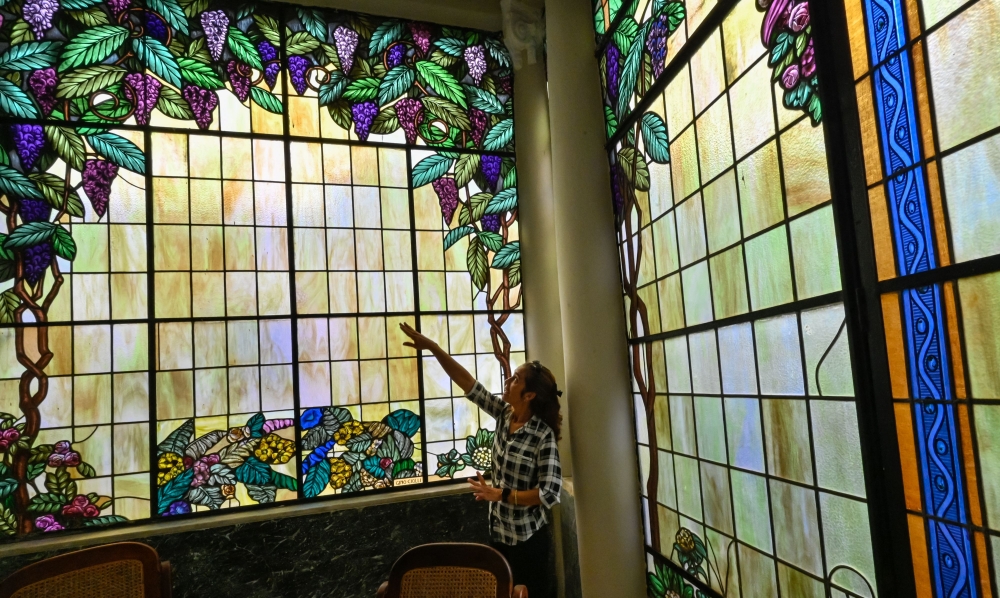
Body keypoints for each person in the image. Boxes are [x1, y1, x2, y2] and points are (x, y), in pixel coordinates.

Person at [399, 322, 563, 598]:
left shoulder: (542, 436)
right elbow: (468, 383)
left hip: (528, 542)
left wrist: (501, 494)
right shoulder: (503, 414)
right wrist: (433, 348)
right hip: (498, 536)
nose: (508, 380)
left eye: (516, 379)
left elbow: (548, 493)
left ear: (530, 395)